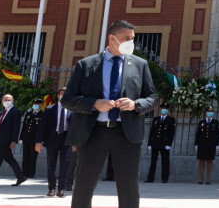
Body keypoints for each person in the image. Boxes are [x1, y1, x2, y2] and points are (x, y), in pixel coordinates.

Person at [61, 19, 157, 208]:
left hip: (126, 133)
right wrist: (94, 103)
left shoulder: (140, 64)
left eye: (133, 38)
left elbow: (152, 98)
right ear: (112, 38)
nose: (132, 42)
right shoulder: (85, 65)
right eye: (126, 38)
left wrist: (135, 104)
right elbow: (67, 99)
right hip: (93, 133)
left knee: (129, 186)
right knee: (84, 185)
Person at [36, 87, 72, 197]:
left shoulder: (72, 110)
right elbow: (42, 127)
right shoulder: (49, 109)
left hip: (66, 139)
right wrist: (38, 141)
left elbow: (75, 127)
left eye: (66, 94)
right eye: (62, 93)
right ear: (58, 95)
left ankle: (61, 189)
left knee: (65, 164)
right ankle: (51, 188)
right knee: (51, 165)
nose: (63, 95)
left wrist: (75, 142)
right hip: (52, 138)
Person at [146, 103, 175, 183]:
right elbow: (152, 132)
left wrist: (169, 144)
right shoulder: (156, 119)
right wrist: (149, 143)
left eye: (166, 108)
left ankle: (165, 178)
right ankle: (150, 178)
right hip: (155, 143)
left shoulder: (171, 120)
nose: (164, 110)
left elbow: (171, 133)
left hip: (164, 144)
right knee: (153, 161)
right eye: (163, 108)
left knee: (165, 161)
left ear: (168, 110)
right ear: (160, 109)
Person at [194, 106, 219, 185]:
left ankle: (208, 179)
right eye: (209, 111)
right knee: (201, 161)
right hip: (202, 144)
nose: (210, 113)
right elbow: (198, 134)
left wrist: (218, 144)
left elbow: (217, 134)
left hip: (211, 144)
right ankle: (201, 178)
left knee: (210, 161)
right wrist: (196, 144)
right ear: (205, 113)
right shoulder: (201, 122)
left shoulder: (215, 122)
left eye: (212, 111)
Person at [20, 97, 44, 178]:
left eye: (37, 104)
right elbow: (24, 127)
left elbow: (42, 129)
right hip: (26, 138)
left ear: (41, 105)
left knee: (33, 157)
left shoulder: (42, 115)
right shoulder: (28, 114)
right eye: (34, 104)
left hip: (35, 139)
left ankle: (31, 173)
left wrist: (41, 140)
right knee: (25, 156)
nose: (35, 105)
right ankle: (24, 173)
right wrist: (21, 137)